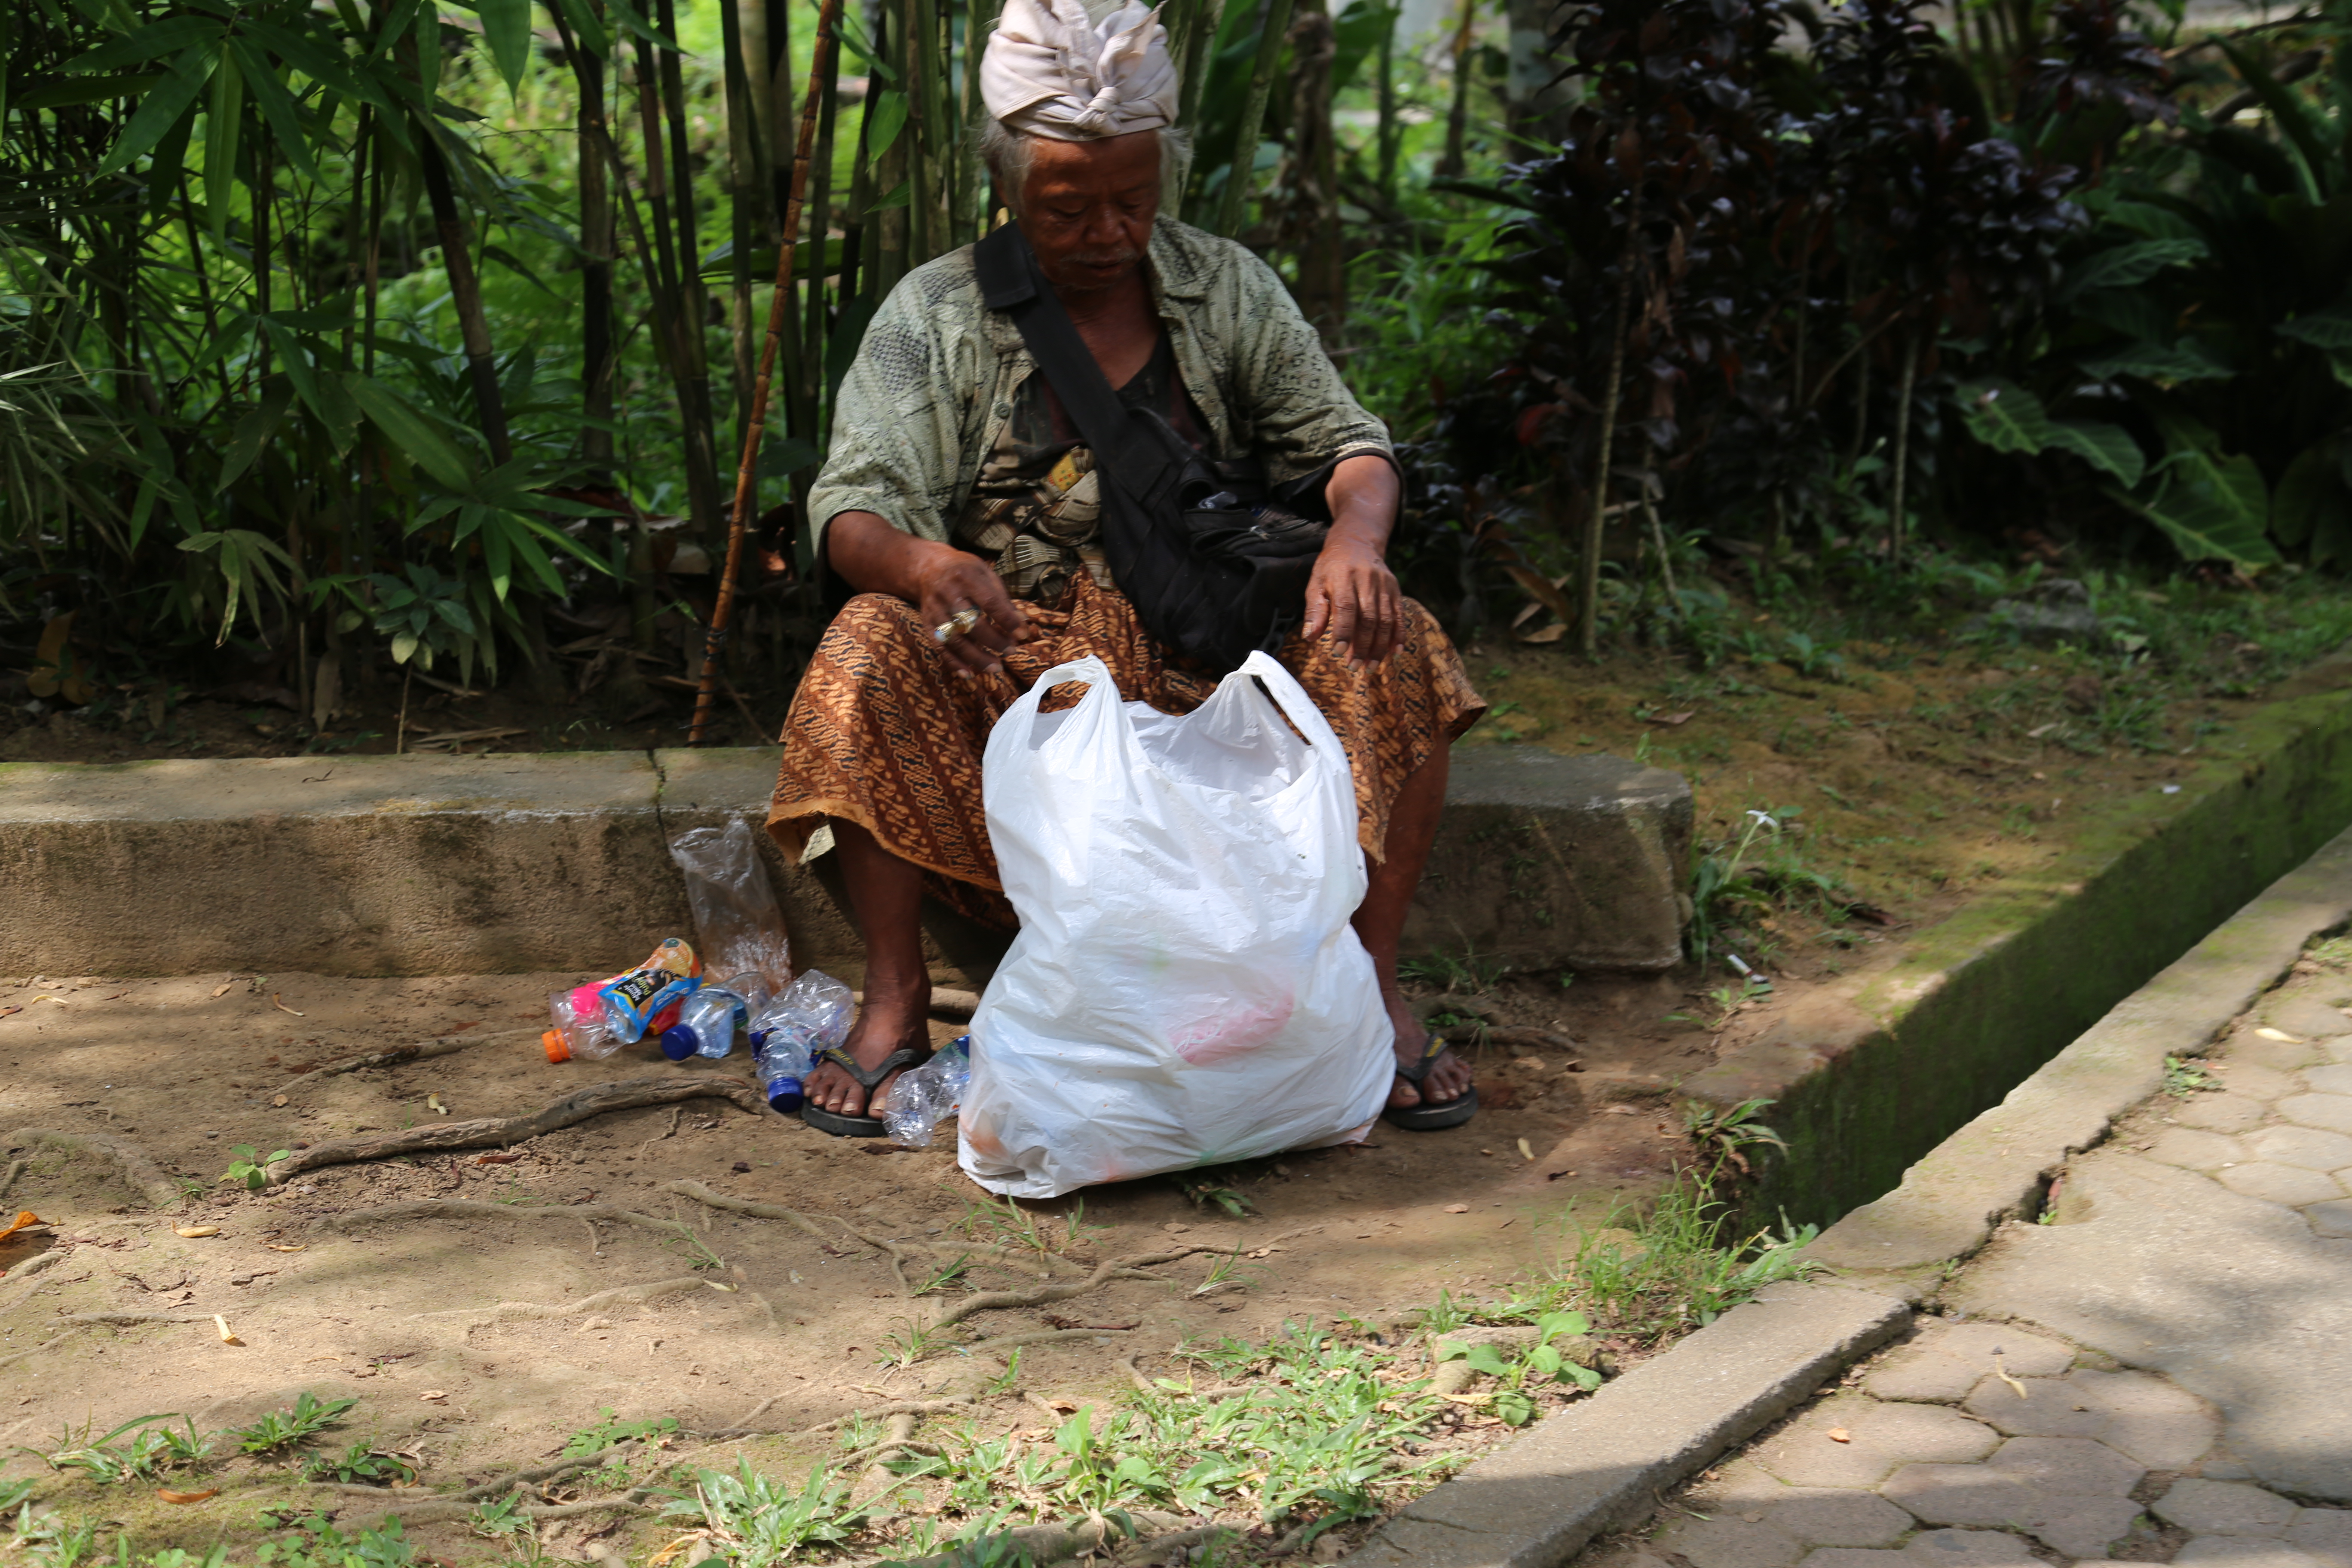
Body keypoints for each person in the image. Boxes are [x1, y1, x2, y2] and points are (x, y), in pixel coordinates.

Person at [766, 0, 1485, 1139]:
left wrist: (1357, 540)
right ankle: (898, 1004)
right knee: (865, 645)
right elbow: (849, 503)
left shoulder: (1225, 287)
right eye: (1070, 208)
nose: (1108, 229)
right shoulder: (939, 312)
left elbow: (1351, 448)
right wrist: (924, 563)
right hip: (1027, 678)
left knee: (1394, 639)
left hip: (1220, 670)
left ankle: (1372, 991)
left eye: (1133, 202)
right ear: (1009, 189)